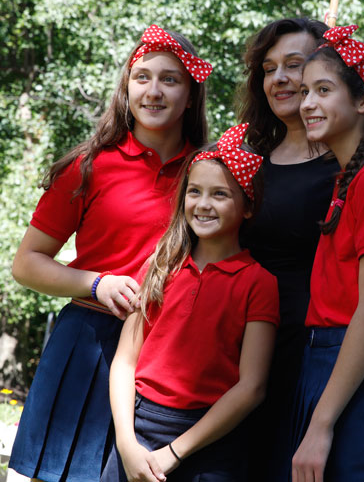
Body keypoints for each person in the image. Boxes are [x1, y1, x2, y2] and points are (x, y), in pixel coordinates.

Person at [9, 24, 212, 482]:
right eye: (142, 77)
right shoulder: (88, 166)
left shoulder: (211, 174)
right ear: (126, 87)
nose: (154, 91)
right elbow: (27, 264)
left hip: (172, 355)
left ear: (190, 94)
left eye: (170, 79)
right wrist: (96, 283)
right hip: (89, 345)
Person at [238, 17, 364, 477]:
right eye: (305, 92)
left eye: (322, 90)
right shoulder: (353, 178)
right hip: (324, 360)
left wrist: (320, 424)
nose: (306, 102)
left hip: (361, 363)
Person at [101, 123, 279, 482]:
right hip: (138, 429)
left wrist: (176, 452)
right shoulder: (160, 265)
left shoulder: (259, 283)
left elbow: (252, 387)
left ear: (248, 207)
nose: (203, 204)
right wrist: (126, 442)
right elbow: (124, 361)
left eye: (220, 194)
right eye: (194, 191)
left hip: (210, 442)